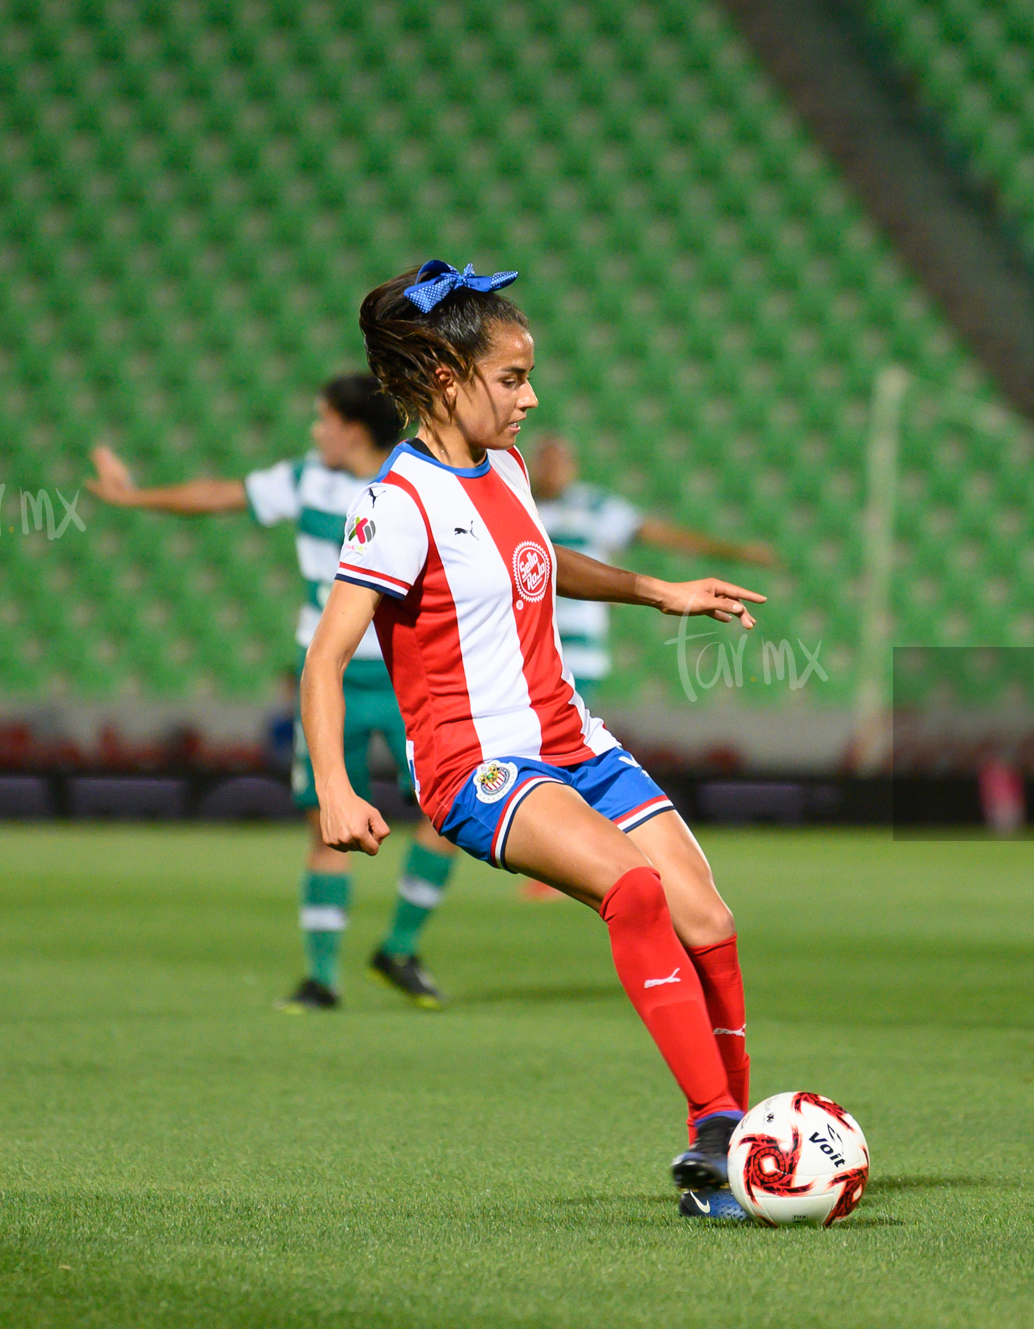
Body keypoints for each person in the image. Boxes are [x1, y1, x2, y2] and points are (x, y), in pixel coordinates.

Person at [304, 259, 762, 1219]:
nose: (531, 397)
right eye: (512, 378)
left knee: (710, 921)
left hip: (573, 739)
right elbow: (327, 655)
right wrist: (339, 788)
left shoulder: (504, 468)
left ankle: (727, 1152)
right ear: (445, 378)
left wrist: (657, 590)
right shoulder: (400, 502)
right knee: (632, 890)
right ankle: (721, 1129)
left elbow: (540, 561)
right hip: (480, 767)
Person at [82, 375, 458, 1011]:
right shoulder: (308, 479)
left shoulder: (420, 479)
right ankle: (322, 978)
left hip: (411, 675)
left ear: (352, 429)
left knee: (450, 814)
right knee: (326, 825)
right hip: (329, 675)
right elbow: (219, 494)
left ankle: (398, 947)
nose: (316, 432)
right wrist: (136, 498)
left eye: (323, 421)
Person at [530, 435, 777, 692]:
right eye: (545, 461)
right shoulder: (521, 504)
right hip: (526, 646)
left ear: (573, 466)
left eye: (560, 461)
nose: (552, 469)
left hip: (578, 646)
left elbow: (656, 533)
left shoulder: (592, 505)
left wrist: (734, 551)